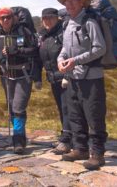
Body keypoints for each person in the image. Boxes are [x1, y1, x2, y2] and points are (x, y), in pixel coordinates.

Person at [56, 0, 108, 170]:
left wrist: (75, 61)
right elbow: (65, 48)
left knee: (94, 115)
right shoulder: (67, 23)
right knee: (75, 114)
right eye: (66, 2)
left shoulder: (89, 22)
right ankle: (80, 149)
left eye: (72, 1)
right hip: (73, 78)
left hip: (91, 78)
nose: (68, 5)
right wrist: (60, 60)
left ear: (81, 2)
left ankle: (97, 154)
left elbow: (100, 48)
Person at [0, 7, 38, 154]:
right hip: (6, 76)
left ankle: (18, 141)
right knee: (11, 107)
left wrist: (17, 51)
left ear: (13, 17)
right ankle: (19, 135)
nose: (5, 20)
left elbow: (34, 50)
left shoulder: (23, 31)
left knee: (18, 107)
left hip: (23, 75)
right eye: (2, 18)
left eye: (8, 17)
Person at [37, 8, 72, 154]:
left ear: (57, 18)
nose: (47, 20)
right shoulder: (44, 36)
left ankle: (66, 140)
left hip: (66, 78)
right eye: (45, 18)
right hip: (53, 78)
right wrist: (37, 78)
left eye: (50, 17)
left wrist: (67, 76)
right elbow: (40, 58)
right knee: (62, 108)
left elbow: (70, 54)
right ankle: (67, 136)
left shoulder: (63, 33)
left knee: (67, 108)